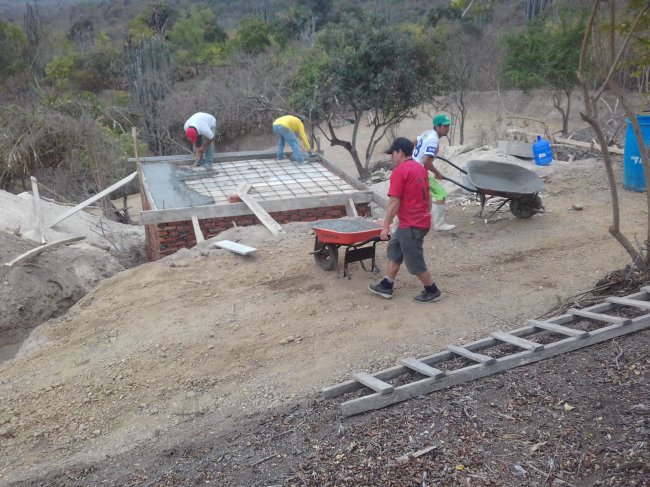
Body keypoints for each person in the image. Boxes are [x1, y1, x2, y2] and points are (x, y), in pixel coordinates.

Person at [369, 137, 443, 303]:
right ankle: (387, 285)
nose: (391, 157)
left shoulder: (400, 171)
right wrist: (425, 214)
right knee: (395, 249)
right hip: (413, 222)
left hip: (412, 225)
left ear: (400, 152)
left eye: (392, 153)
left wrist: (385, 228)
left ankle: (432, 290)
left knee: (414, 261)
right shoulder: (420, 168)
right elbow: (428, 196)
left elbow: (394, 203)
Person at [412, 113, 455, 231]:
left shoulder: (427, 133)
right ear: (437, 127)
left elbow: (414, 142)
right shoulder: (434, 140)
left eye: (448, 126)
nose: (448, 128)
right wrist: (437, 173)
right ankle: (439, 224)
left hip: (412, 167)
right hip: (419, 171)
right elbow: (426, 161)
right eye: (445, 126)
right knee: (441, 193)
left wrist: (414, 155)